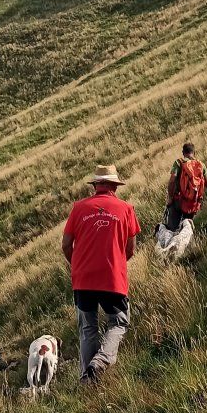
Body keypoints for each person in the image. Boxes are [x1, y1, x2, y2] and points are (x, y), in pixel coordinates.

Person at [62, 164, 141, 383]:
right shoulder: (126, 209)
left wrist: (77, 265)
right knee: (119, 323)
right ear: (115, 185)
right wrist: (115, 263)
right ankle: (101, 361)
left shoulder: (79, 208)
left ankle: (87, 381)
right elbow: (131, 249)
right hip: (112, 278)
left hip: (83, 279)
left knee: (88, 328)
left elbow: (66, 244)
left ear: (96, 185)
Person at [166, 142, 207, 231]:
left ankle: (172, 240)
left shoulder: (179, 163)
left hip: (178, 201)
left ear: (183, 152)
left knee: (172, 230)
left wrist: (170, 198)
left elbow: (172, 181)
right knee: (187, 228)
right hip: (193, 203)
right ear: (194, 152)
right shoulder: (201, 165)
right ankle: (188, 242)